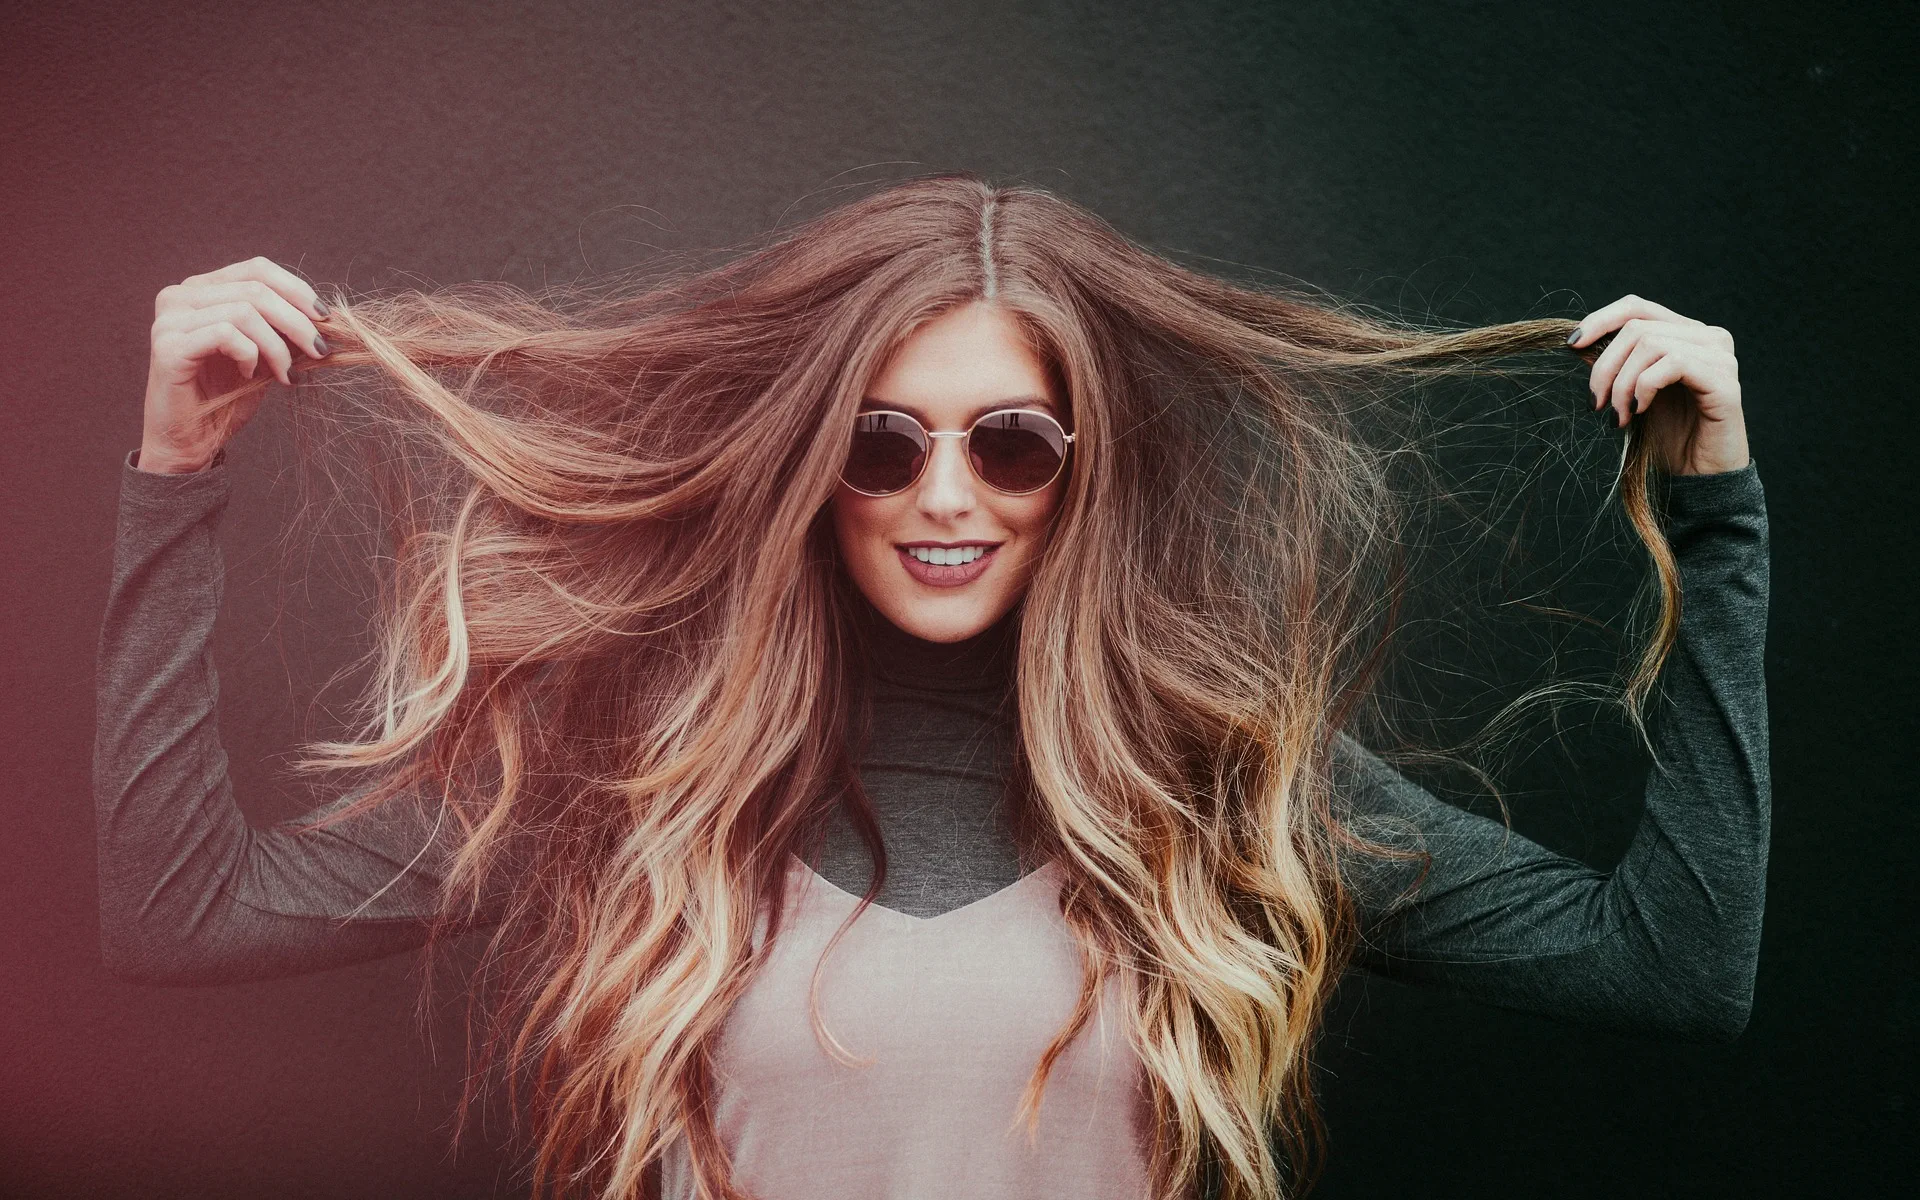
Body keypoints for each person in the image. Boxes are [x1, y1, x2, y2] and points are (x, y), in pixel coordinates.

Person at [94, 175, 1768, 1200]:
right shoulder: (645, 779)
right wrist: (177, 471)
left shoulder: (1220, 793)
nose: (944, 496)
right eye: (882, 443)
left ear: (1079, 468)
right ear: (814, 463)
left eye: (1011, 442)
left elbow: (1671, 961)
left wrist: (1720, 514)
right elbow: (182, 915)